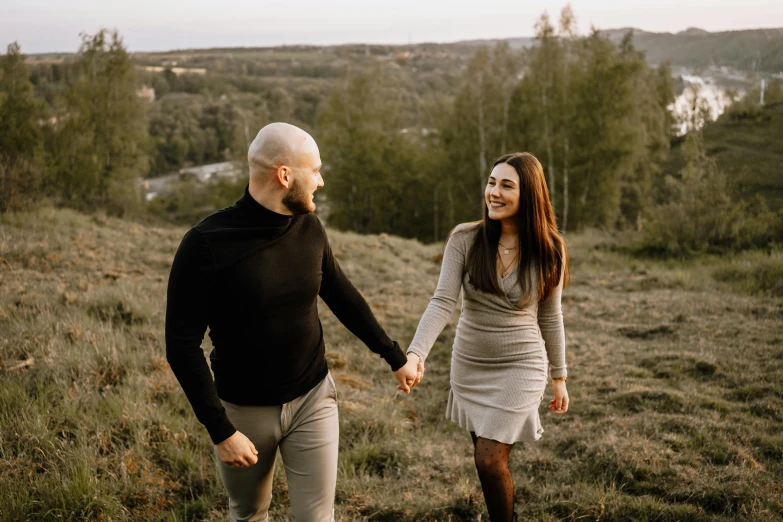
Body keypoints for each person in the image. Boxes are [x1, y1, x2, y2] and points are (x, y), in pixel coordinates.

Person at [165, 122, 421, 522]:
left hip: (313, 398)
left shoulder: (309, 227)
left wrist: (395, 356)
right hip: (243, 413)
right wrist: (221, 431)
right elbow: (181, 345)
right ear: (284, 175)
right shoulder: (205, 245)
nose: (320, 181)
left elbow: (342, 295)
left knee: (317, 518)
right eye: (314, 170)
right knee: (249, 514)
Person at [407, 152, 570, 522]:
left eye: (506, 186)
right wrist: (416, 354)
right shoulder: (465, 239)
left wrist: (559, 377)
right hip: (470, 365)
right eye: (491, 183)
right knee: (485, 461)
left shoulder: (550, 250)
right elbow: (442, 302)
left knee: (489, 459)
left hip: (522, 364)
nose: (494, 192)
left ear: (529, 195)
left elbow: (551, 315)